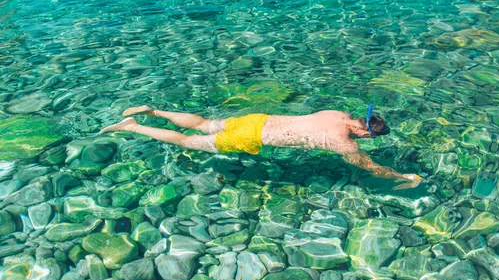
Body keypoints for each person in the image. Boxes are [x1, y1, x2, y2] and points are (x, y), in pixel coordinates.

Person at [101, 105, 423, 189]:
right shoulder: (344, 143)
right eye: (370, 137)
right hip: (251, 139)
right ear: (363, 131)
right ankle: (135, 126)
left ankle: (153, 111)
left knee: (202, 123)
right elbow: (367, 166)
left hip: (257, 120)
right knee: (188, 141)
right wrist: (404, 176)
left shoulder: (338, 115)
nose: (367, 141)